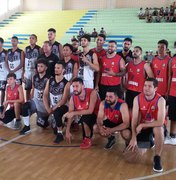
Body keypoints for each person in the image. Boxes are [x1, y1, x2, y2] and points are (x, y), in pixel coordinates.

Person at [127, 78, 166, 173]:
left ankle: (157, 157)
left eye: (149, 86)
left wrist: (143, 125)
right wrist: (133, 137)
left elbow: (160, 122)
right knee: (135, 155)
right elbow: (134, 119)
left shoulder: (161, 100)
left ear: (155, 88)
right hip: (143, 126)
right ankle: (150, 142)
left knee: (158, 129)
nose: (146, 88)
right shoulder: (137, 99)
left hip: (154, 125)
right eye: (145, 85)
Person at [64, 78, 100, 149]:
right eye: (73, 86)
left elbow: (90, 111)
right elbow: (70, 115)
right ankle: (87, 138)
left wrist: (74, 113)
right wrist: (67, 131)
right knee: (85, 119)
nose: (75, 89)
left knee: (94, 127)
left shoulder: (92, 93)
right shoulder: (73, 98)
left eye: (77, 86)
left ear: (83, 86)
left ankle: (110, 136)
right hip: (87, 116)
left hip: (99, 115)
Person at [20, 59, 50, 134]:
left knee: (42, 125)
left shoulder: (49, 78)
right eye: (38, 66)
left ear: (46, 68)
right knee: (24, 107)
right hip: (36, 101)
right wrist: (31, 99)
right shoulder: (35, 77)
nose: (39, 68)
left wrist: (49, 109)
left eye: (41, 66)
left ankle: (49, 119)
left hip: (44, 104)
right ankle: (27, 127)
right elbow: (33, 89)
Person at [43, 62, 70, 143]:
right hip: (52, 106)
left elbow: (64, 100)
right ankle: (60, 123)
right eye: (55, 68)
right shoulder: (50, 80)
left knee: (57, 113)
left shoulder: (67, 83)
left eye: (58, 68)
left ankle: (60, 134)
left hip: (63, 106)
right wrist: (48, 108)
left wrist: (53, 109)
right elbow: (45, 95)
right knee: (42, 123)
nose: (56, 69)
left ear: (63, 70)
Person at [126, 46, 154, 110]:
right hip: (129, 90)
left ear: (141, 53)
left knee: (139, 110)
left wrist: (148, 90)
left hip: (139, 91)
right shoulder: (129, 64)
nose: (134, 52)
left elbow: (152, 78)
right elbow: (122, 73)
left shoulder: (145, 64)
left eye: (137, 51)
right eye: (133, 51)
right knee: (129, 108)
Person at [24, 34, 41, 101]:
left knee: (35, 88)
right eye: (30, 38)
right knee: (27, 89)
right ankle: (27, 102)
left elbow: (41, 60)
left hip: (35, 70)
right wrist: (23, 72)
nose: (31, 39)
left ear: (36, 40)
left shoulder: (39, 49)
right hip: (27, 71)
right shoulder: (26, 48)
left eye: (33, 38)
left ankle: (33, 102)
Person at [164, 54, 176, 145]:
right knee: (173, 114)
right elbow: (169, 77)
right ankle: (172, 135)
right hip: (173, 91)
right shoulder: (172, 60)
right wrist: (168, 90)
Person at [0, 37, 8, 112]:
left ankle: (1, 105)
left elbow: (7, 63)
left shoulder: (6, 52)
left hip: (4, 75)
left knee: (2, 90)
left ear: (2, 44)